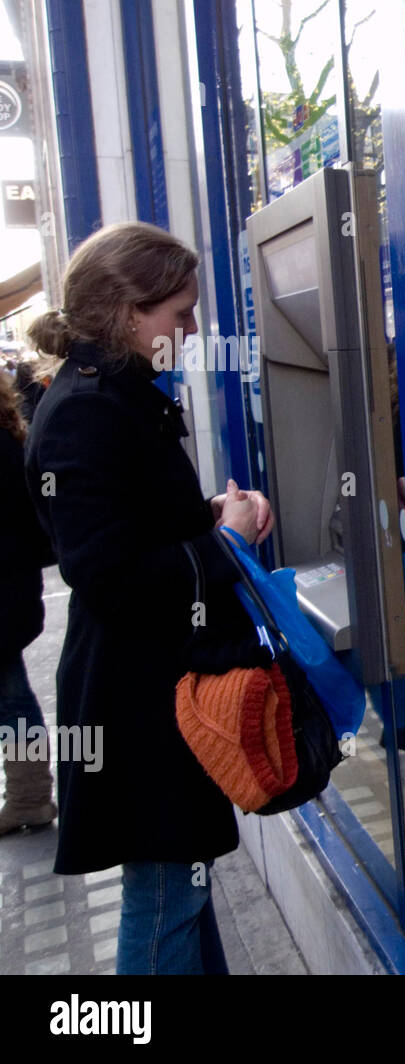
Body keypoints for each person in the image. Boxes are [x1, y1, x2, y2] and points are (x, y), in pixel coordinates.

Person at [24, 221, 274, 975]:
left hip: (153, 686)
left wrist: (206, 517)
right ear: (129, 310)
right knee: (165, 900)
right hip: (135, 701)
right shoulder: (85, 410)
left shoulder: (114, 395)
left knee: (182, 886)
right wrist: (223, 543)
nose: (193, 329)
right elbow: (108, 576)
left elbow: (129, 526)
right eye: (180, 312)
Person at [0, 368, 57, 835]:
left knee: (11, 698)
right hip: (12, 594)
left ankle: (30, 796)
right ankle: (28, 794)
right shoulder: (7, 438)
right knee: (11, 694)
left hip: (4, 596)